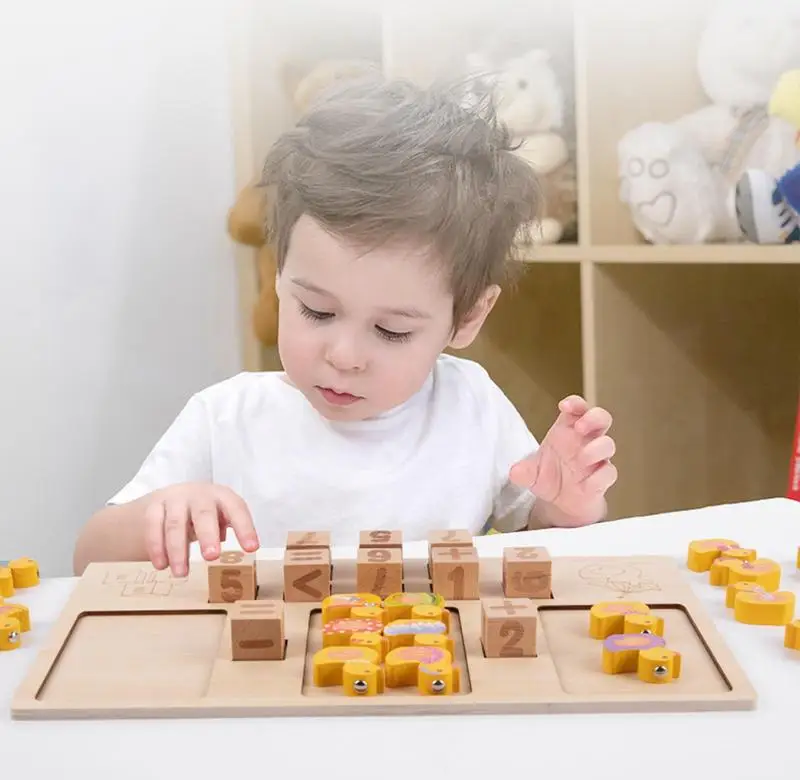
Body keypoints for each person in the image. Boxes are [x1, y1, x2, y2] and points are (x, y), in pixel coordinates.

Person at [73, 75, 617, 578]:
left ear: (468, 316)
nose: (345, 354)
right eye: (317, 311)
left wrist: (564, 504)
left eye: (392, 331)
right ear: (279, 278)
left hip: (428, 671)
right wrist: (159, 513)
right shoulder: (226, 418)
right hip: (269, 675)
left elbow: (536, 544)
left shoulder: (472, 405)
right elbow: (88, 560)